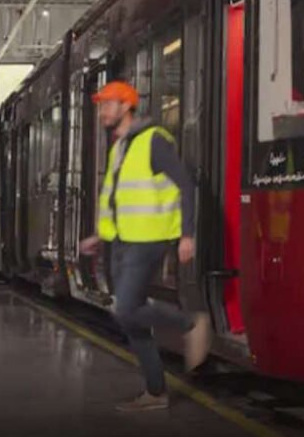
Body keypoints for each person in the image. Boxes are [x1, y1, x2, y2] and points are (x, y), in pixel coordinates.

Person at [79, 80, 213, 413]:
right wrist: (101, 235)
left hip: (148, 240)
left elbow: (185, 185)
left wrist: (187, 234)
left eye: (107, 104)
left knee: (125, 309)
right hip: (122, 241)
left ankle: (191, 324)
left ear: (126, 106)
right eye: (100, 105)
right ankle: (155, 392)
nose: (102, 111)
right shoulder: (120, 147)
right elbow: (118, 199)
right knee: (129, 319)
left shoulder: (154, 141)